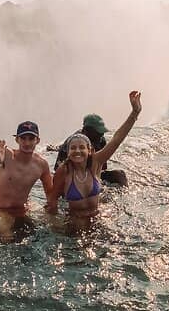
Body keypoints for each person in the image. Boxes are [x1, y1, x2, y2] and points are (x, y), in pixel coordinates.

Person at [0, 95, 54, 240]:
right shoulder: (6, 156)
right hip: (0, 211)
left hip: (23, 211)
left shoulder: (41, 165)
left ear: (37, 140)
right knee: (7, 238)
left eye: (31, 138)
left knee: (46, 235)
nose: (27, 143)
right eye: (23, 138)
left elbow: (51, 195)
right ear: (17, 139)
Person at [48, 91, 142, 219]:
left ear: (90, 150)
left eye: (81, 147)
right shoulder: (64, 170)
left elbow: (117, 139)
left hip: (96, 220)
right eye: (73, 148)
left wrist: (135, 112)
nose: (77, 151)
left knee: (120, 175)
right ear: (68, 151)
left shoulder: (96, 162)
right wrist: (54, 223)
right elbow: (52, 200)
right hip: (75, 223)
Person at [53, 113, 128, 185]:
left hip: (92, 172)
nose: (101, 135)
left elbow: (102, 167)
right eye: (98, 132)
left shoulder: (101, 140)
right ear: (86, 131)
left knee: (119, 175)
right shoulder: (72, 145)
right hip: (74, 176)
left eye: (102, 132)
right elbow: (58, 171)